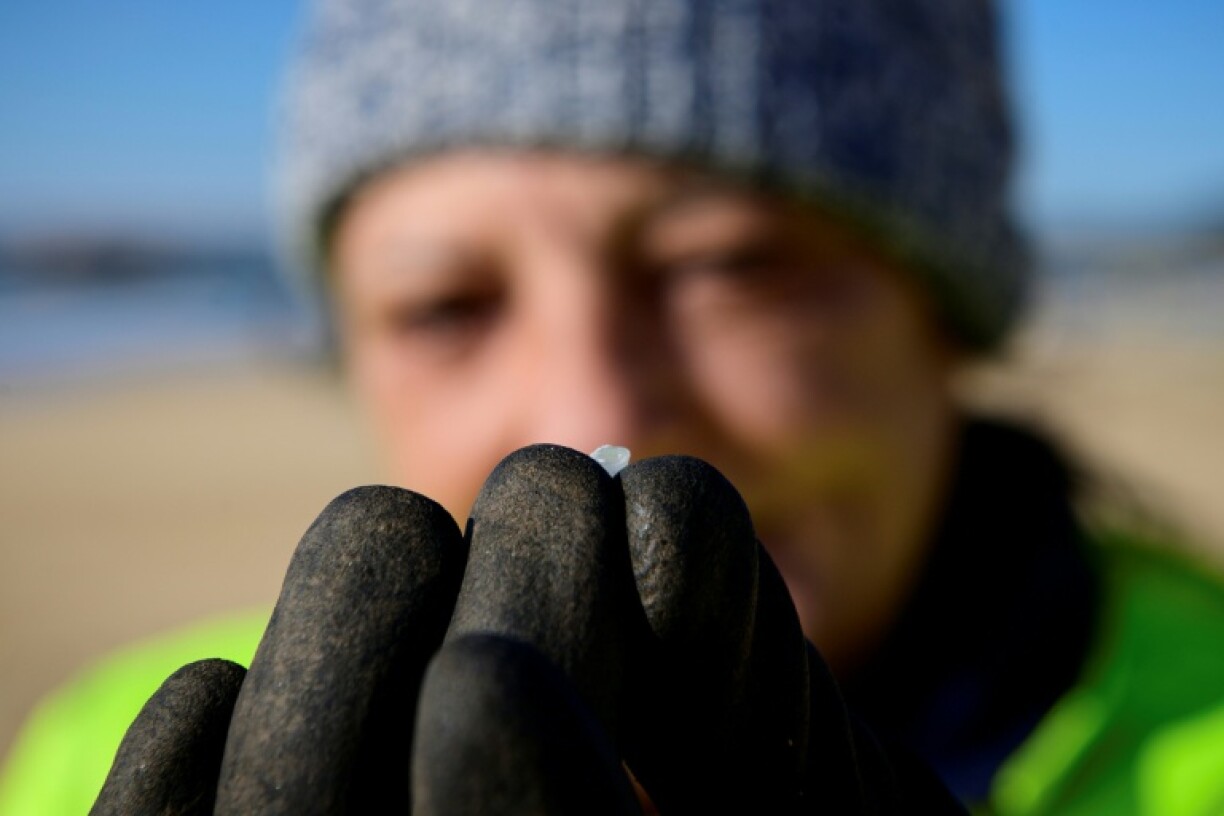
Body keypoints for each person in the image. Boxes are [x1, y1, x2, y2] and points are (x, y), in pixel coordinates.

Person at [4, 0, 1224, 813]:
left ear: (948, 311)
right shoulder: (89, 762)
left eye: (728, 266)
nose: (591, 413)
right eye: (444, 304)